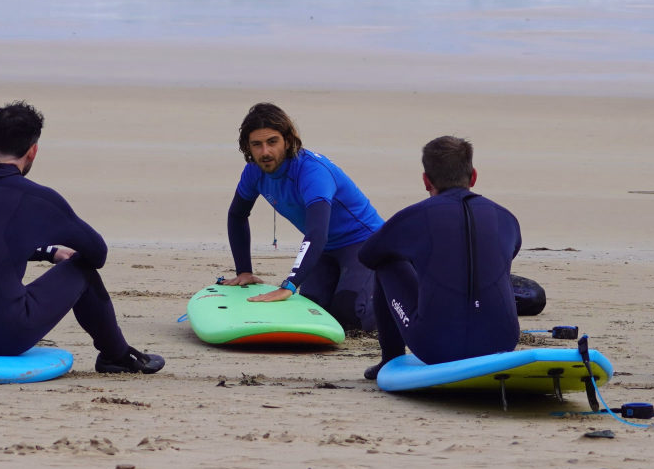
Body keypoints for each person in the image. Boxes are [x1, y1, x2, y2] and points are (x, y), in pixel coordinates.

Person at [0, 101, 163, 373]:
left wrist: (50, 252)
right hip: (2, 336)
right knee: (82, 270)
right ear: (33, 151)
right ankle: (116, 355)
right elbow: (97, 253)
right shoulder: (36, 197)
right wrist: (62, 254)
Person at [357, 136, 522, 380]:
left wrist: (416, 257)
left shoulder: (415, 215)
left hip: (436, 348)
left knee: (387, 264)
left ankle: (390, 359)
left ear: (426, 181)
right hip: (502, 343)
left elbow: (368, 256)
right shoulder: (506, 218)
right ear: (473, 176)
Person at [220, 103, 384, 331]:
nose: (265, 152)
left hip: (365, 244)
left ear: (287, 141)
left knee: (348, 315)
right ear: (247, 146)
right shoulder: (253, 172)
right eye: (257, 144)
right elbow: (237, 215)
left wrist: (290, 284)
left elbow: (317, 233)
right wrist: (244, 271)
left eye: (272, 142)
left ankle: (405, 302)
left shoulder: (312, 171)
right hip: (325, 250)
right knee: (314, 311)